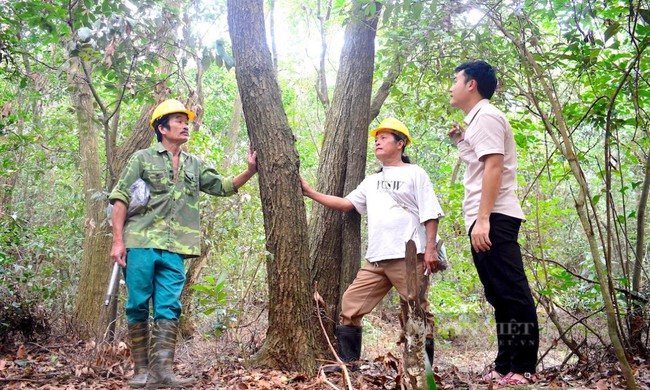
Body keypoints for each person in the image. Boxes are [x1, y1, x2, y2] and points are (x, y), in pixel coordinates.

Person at [109, 99, 257, 388]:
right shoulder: (142, 158)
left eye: (185, 120)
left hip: (177, 248)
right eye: (178, 120)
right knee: (137, 304)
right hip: (139, 241)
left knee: (169, 307)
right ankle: (141, 372)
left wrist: (250, 170)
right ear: (161, 128)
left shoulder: (194, 164)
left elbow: (223, 187)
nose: (185, 124)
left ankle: (162, 373)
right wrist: (117, 242)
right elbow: (120, 198)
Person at [300, 117, 444, 368]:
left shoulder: (415, 173)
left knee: (415, 312)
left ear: (401, 144)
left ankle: (422, 368)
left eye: (385, 137)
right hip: (377, 259)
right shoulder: (371, 181)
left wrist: (430, 249)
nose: (378, 141)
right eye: (377, 139)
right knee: (351, 306)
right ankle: (349, 363)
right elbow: (347, 204)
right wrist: (310, 192)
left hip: (409, 257)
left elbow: (430, 213)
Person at [447, 60, 539, 387]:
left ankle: (523, 366)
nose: (451, 86)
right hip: (483, 217)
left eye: (455, 80)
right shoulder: (476, 123)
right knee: (498, 295)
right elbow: (479, 164)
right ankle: (504, 365)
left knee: (512, 293)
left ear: (472, 84)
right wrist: (461, 139)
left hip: (494, 217)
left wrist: (484, 219)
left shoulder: (486, 116)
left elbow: (494, 168)